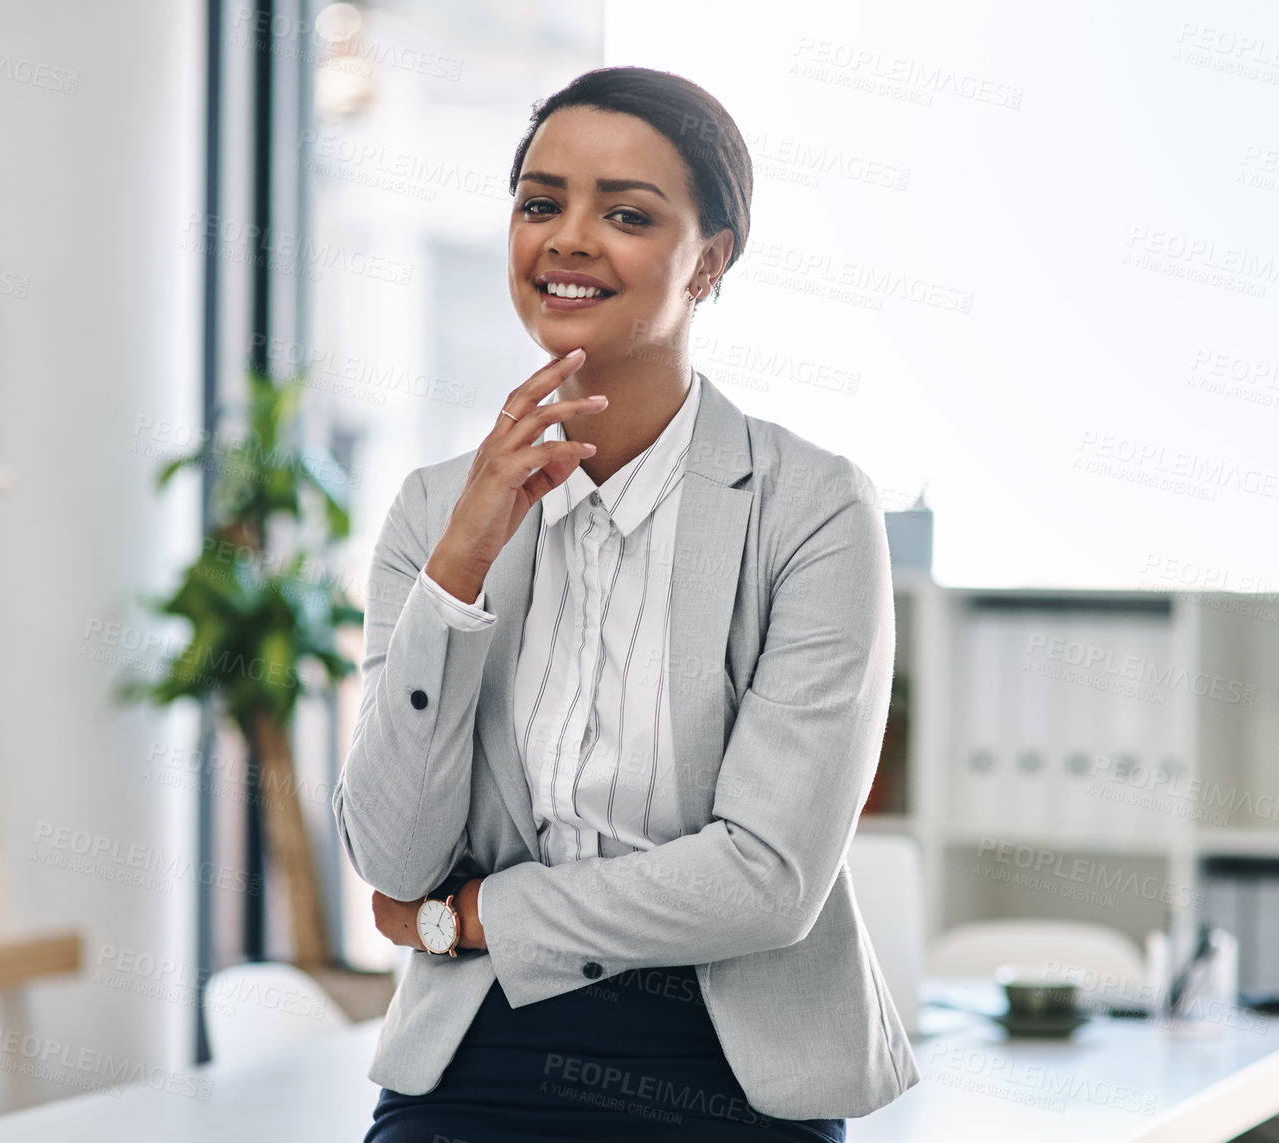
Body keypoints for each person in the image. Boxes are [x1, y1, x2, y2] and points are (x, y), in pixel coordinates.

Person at [333, 64, 920, 1142]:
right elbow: (392, 856)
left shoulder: (813, 508)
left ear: (709, 262)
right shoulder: (433, 511)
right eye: (540, 202)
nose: (566, 238)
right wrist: (457, 569)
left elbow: (766, 878)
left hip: (730, 1065)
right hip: (476, 1054)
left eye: (626, 213)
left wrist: (472, 916)